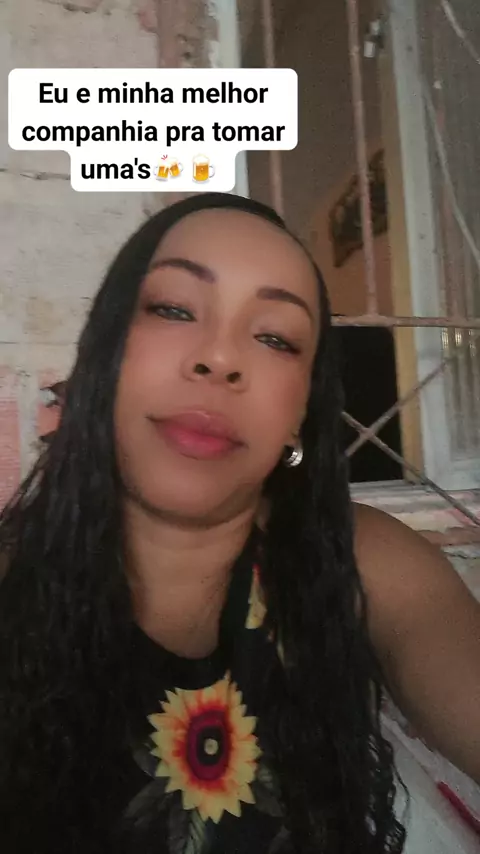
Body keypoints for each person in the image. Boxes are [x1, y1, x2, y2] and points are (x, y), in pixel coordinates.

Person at [0, 192, 479, 854]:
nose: (220, 358)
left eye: (276, 338)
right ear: (103, 358)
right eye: (173, 309)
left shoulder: (367, 562)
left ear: (300, 414)